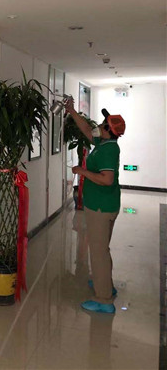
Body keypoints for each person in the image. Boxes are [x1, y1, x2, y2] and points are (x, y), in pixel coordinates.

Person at [65, 98, 126, 314]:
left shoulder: (109, 150)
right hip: (104, 204)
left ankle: (104, 300)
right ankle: (105, 284)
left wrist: (82, 171)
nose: (98, 125)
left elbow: (107, 179)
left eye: (103, 124)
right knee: (102, 249)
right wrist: (72, 111)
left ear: (109, 130)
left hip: (101, 207)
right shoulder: (104, 143)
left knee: (98, 252)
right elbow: (86, 130)